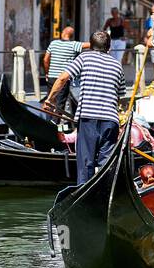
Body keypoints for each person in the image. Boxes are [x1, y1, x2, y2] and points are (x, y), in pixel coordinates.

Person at [66, 30, 127, 186]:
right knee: (106, 163)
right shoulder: (117, 65)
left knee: (86, 162)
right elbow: (120, 95)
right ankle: (105, 192)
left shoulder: (84, 58)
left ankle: (83, 192)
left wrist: (50, 100)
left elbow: (62, 78)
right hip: (111, 120)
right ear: (108, 47)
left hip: (88, 119)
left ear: (91, 45)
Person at [42, 25, 88, 114]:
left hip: (51, 77)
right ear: (71, 35)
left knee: (50, 101)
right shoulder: (74, 45)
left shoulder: (53, 43)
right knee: (60, 104)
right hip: (64, 78)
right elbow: (91, 44)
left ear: (63, 33)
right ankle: (55, 123)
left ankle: (49, 121)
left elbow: (45, 60)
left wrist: (47, 73)